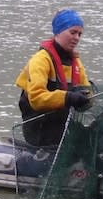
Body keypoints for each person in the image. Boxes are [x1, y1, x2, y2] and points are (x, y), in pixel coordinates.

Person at [16, 9, 93, 146]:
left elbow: (87, 90)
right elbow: (36, 99)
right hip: (40, 127)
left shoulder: (76, 63)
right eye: (73, 32)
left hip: (64, 125)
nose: (77, 38)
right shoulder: (41, 60)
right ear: (58, 31)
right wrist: (69, 97)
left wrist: (87, 99)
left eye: (80, 34)